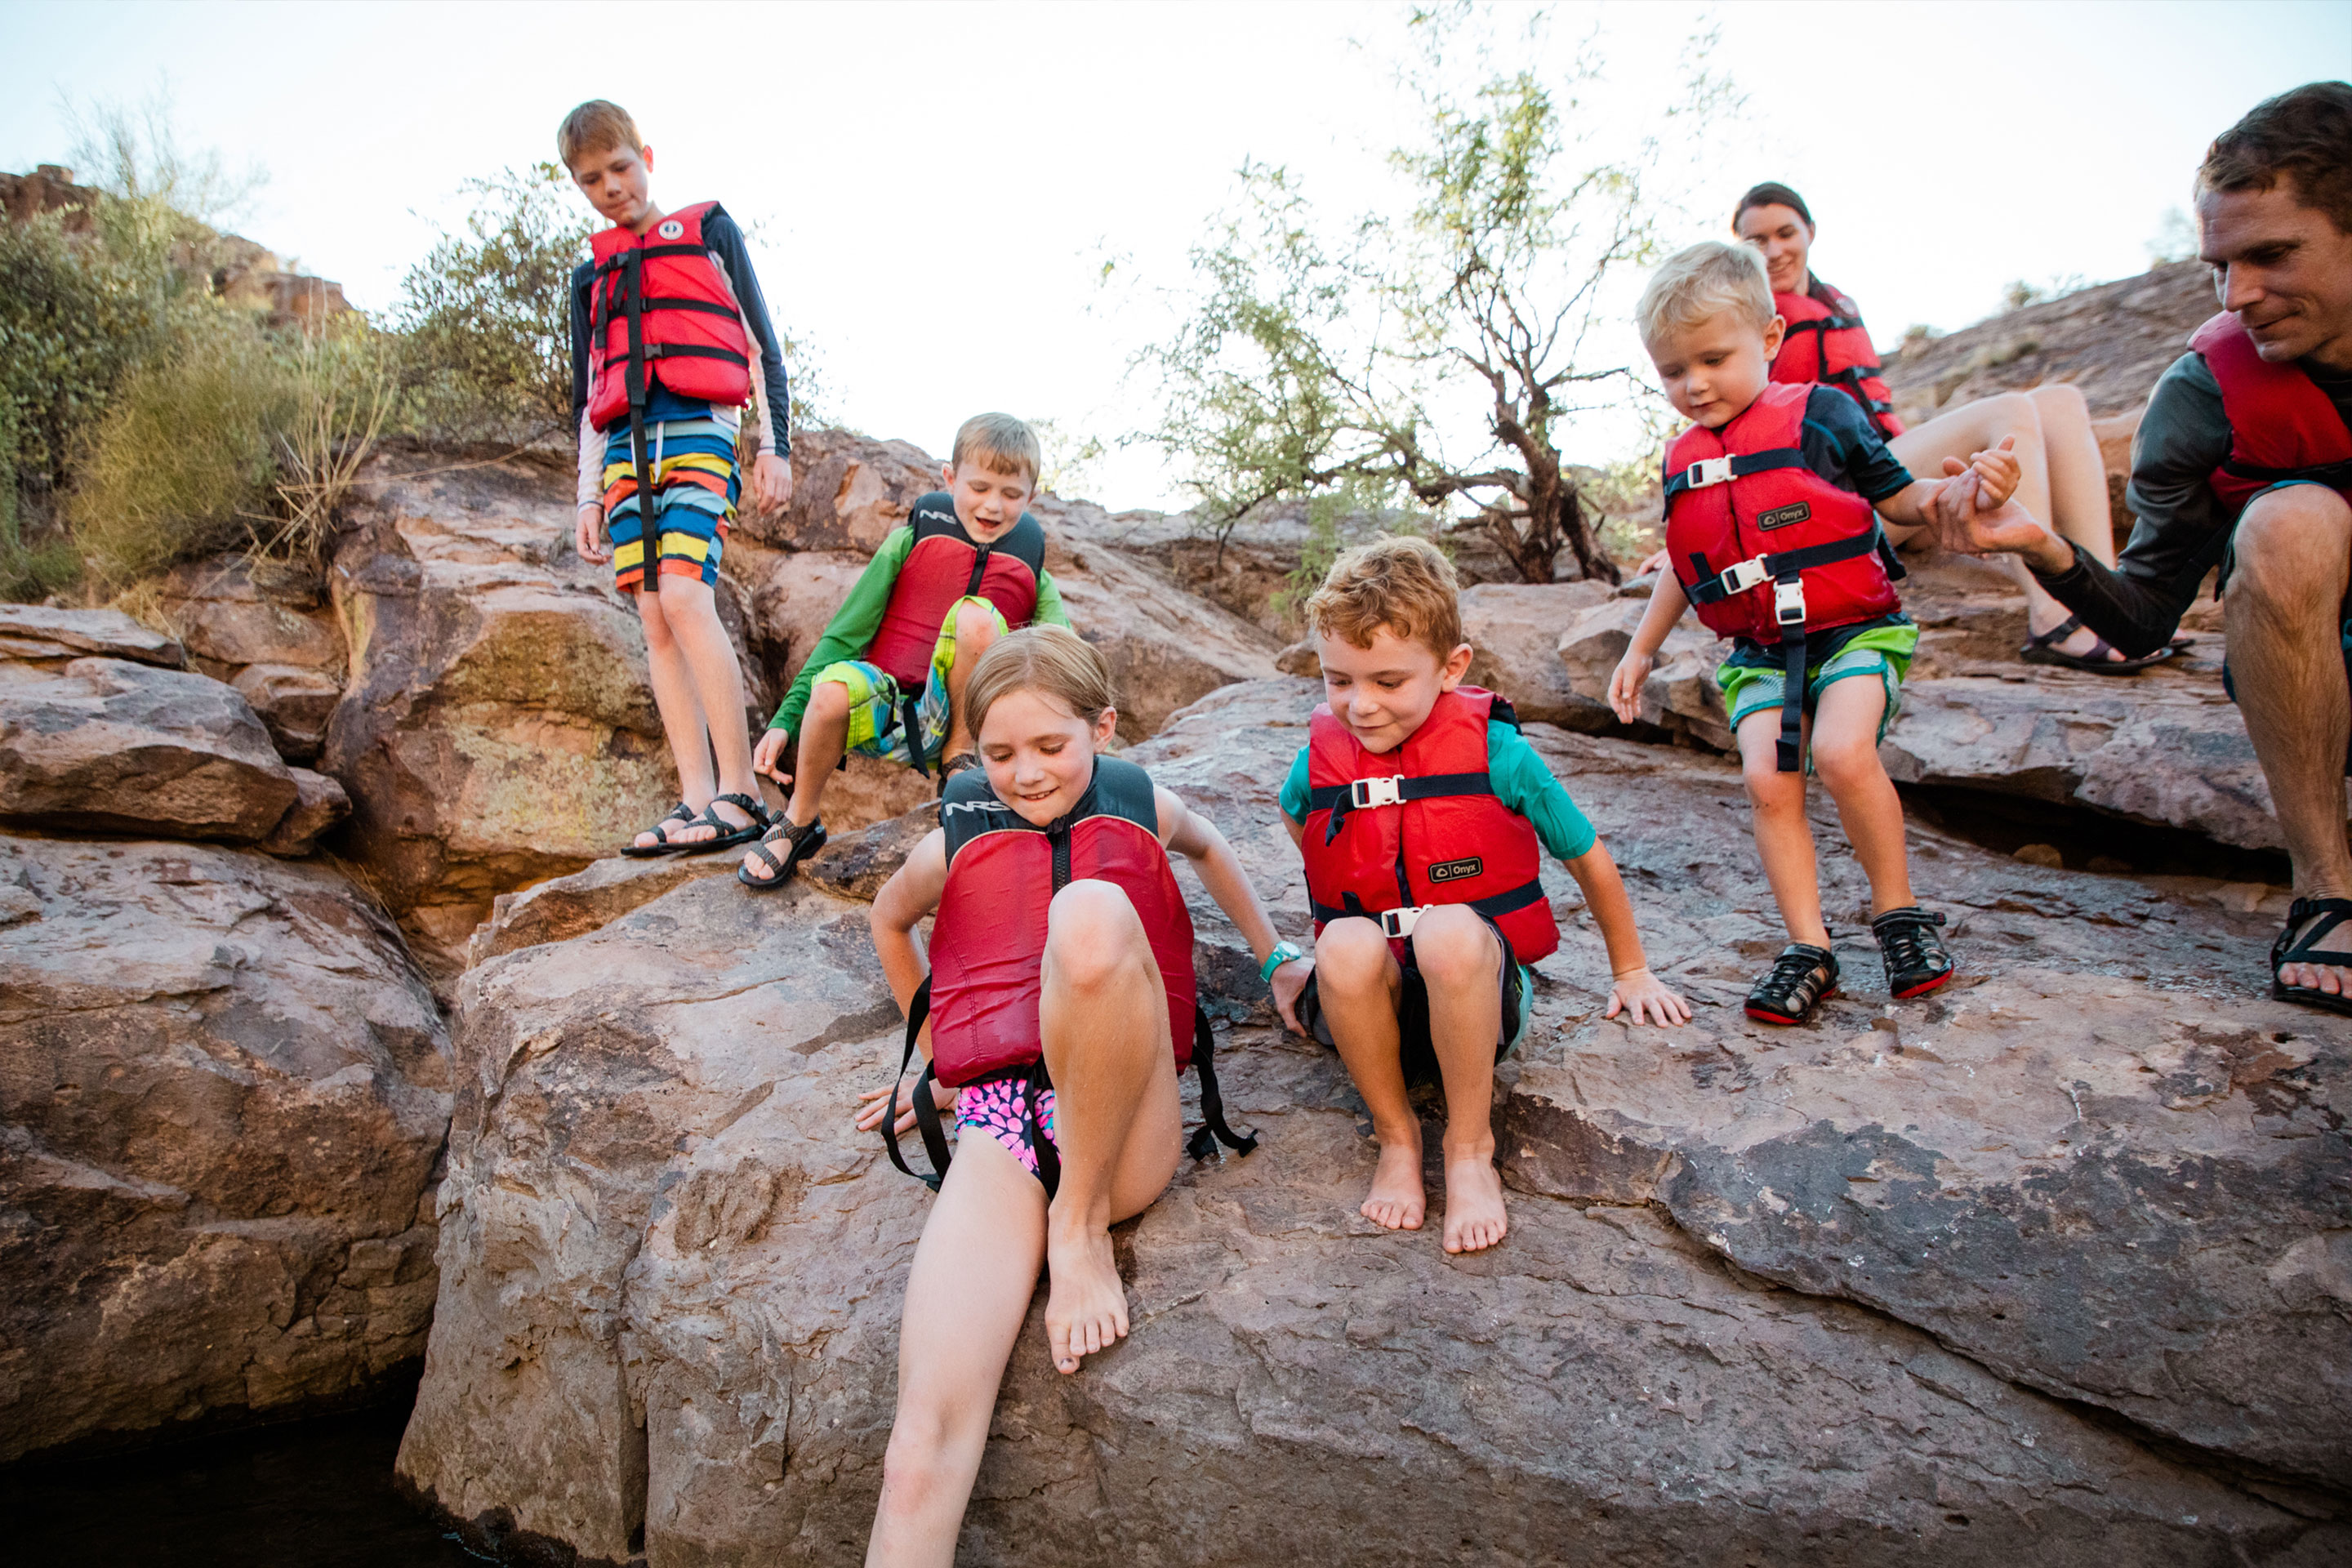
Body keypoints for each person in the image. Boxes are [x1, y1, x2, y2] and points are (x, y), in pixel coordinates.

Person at [854, 626, 1287, 1563]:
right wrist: (933, 1054)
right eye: (1000, 754)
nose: (1029, 774)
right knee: (917, 1452)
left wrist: (1279, 959)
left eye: (1052, 747)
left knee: (1087, 914)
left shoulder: (1140, 803)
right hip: (1003, 1124)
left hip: (1121, 1123)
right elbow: (890, 918)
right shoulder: (960, 832)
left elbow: (1210, 847)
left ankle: (1079, 1224)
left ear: (1104, 727)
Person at [1933, 82, 2352, 1016]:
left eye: (2273, 255)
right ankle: (2328, 889)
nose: (2239, 295)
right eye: (2219, 267)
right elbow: (2147, 619)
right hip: (2330, 667)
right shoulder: (2205, 397)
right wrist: (2040, 546)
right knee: (2290, 523)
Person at [1610, 243, 2017, 1027]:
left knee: (1839, 752)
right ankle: (1809, 946)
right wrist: (1641, 646)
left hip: (1857, 631)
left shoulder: (1824, 415)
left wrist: (1963, 490)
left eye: (1712, 359)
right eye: (1671, 371)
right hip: (1760, 651)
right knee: (1768, 782)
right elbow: (1684, 559)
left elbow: (1899, 501)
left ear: (1768, 339)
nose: (1692, 385)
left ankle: (1899, 916)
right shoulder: (1683, 459)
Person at [1277, 536, 1690, 1256]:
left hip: (1474, 996)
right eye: (1338, 680)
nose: (1360, 705)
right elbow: (1299, 816)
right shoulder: (1321, 757)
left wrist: (1630, 969)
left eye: (1387, 681)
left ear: (1452, 667)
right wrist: (1353, 875)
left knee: (1448, 931)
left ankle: (1468, 1150)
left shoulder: (1501, 754)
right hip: (1371, 1000)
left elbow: (1586, 856)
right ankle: (1397, 1139)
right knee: (1341, 939)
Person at [1719, 181, 2165, 673]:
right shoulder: (1747, 321)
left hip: (1885, 485)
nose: (1775, 250)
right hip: (1833, 508)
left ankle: (2107, 601)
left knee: (2060, 401)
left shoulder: (1834, 303)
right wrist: (1687, 535)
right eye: (1757, 241)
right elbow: (1724, 430)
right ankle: (2050, 616)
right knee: (2008, 409)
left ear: (1811, 232)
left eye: (1785, 233)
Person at [560, 99, 794, 857]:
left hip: (700, 430)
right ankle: (696, 798)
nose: (611, 188)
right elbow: (587, 393)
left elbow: (763, 344)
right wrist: (588, 494)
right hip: (625, 448)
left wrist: (773, 445)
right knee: (654, 617)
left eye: (621, 168)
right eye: (592, 179)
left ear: (647, 156)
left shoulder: (710, 231)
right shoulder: (589, 271)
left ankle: (742, 793)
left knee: (690, 596)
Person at [738, 413, 1073, 889]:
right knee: (831, 689)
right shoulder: (910, 540)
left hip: (982, 734)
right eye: (979, 488)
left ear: (1031, 498)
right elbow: (843, 636)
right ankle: (799, 820)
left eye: (1011, 494)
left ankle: (959, 762)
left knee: (976, 617)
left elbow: (1068, 662)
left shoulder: (1032, 570)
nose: (993, 506)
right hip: (893, 713)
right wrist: (785, 720)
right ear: (950, 478)